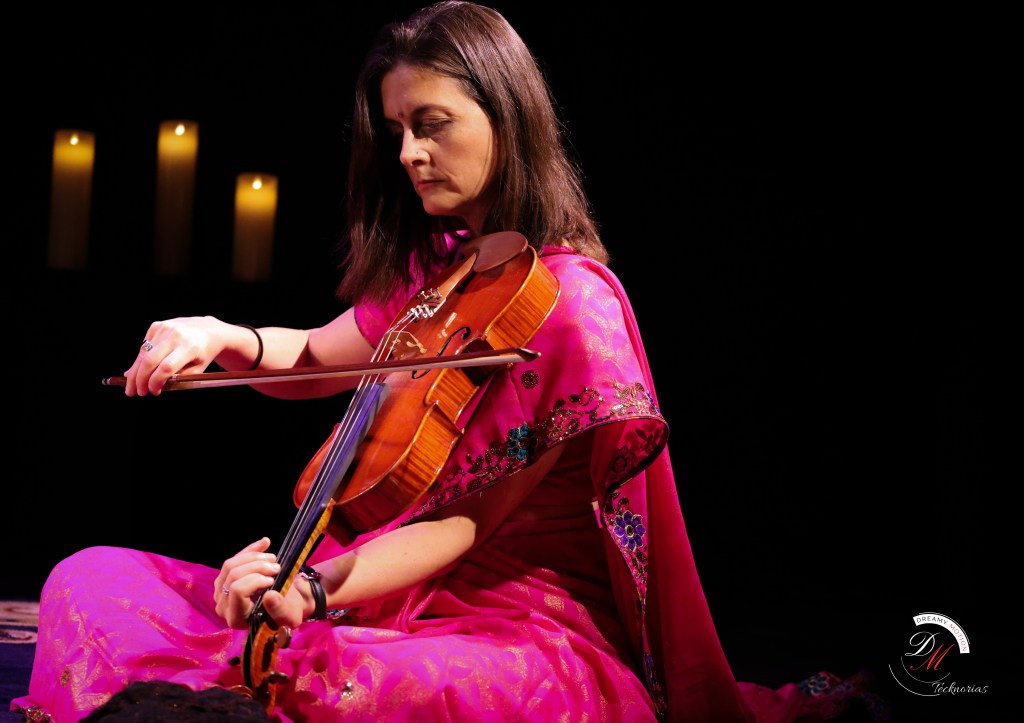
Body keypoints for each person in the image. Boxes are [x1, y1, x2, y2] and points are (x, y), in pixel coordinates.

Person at [12, 3, 884, 722]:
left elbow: (465, 525)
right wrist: (223, 333)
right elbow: (319, 355)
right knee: (88, 576)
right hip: (377, 589)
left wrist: (309, 586)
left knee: (361, 688)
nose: (407, 155)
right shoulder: (444, 272)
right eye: (396, 130)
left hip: (520, 620)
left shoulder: (573, 303)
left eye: (431, 126)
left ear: (507, 117)